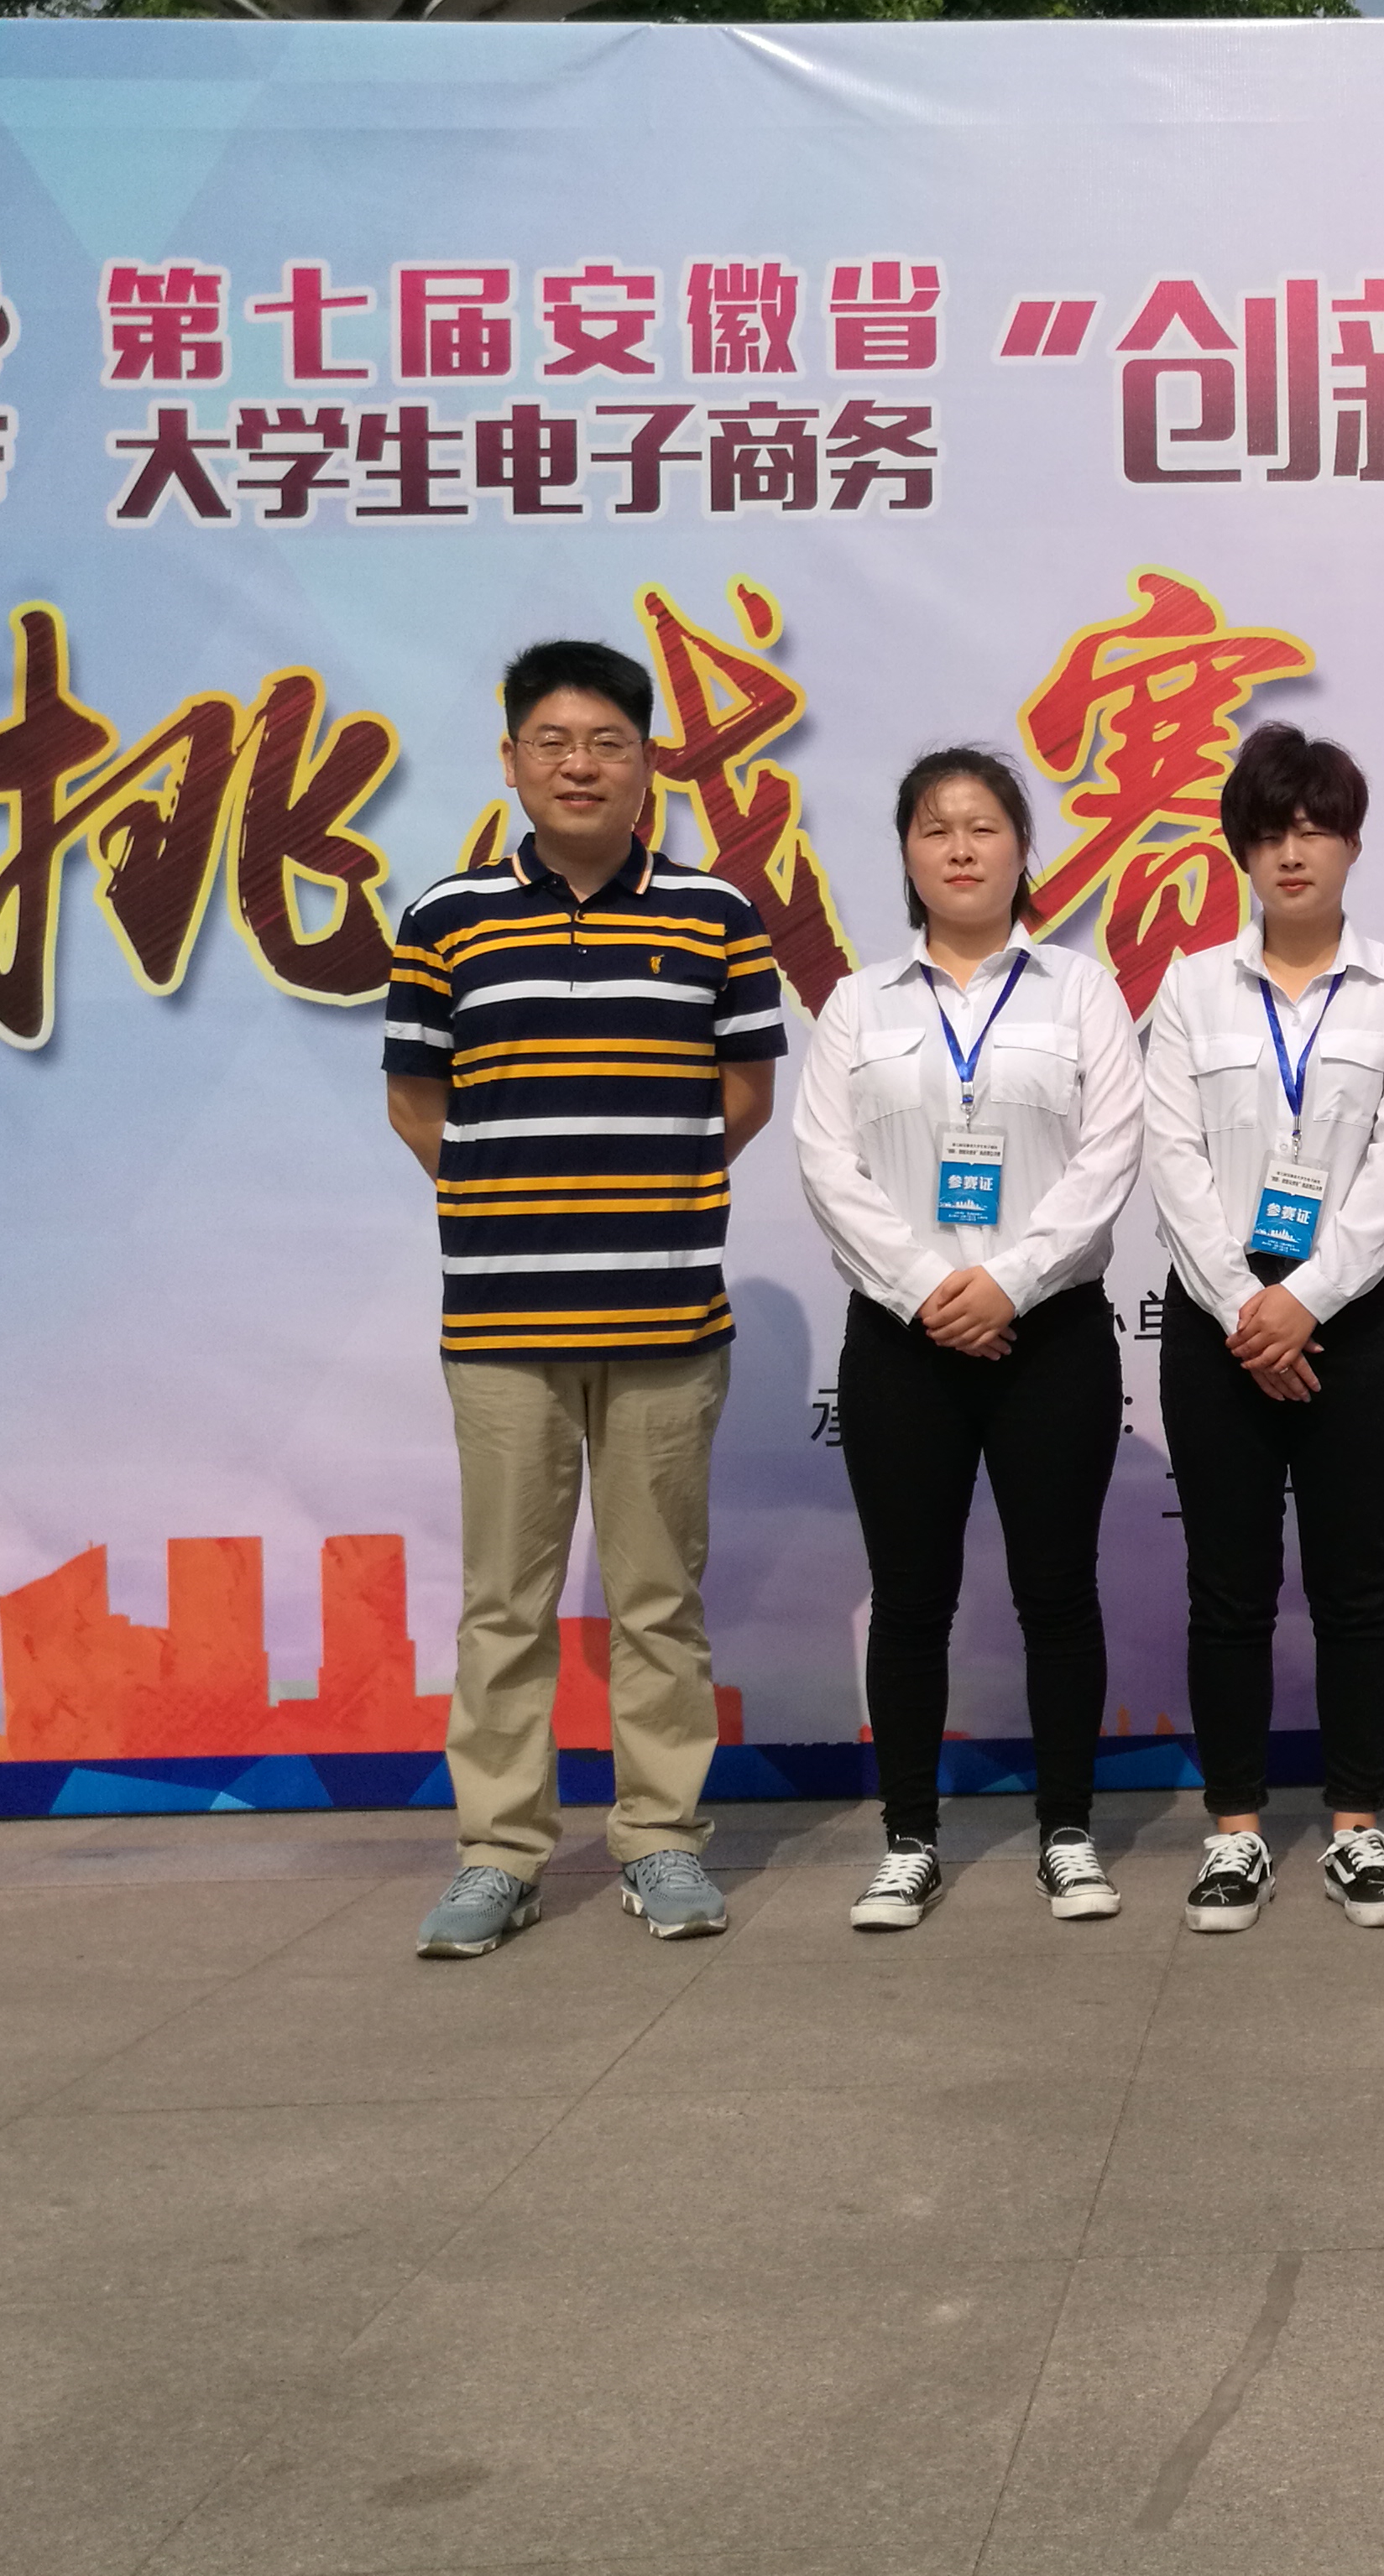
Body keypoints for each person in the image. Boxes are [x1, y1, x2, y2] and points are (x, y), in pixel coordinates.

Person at [388, 638, 784, 1960]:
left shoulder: (715, 915)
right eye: (552, 742)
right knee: (505, 1601)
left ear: (645, 761)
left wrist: (646, 1193)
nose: (579, 764)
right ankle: (498, 1855)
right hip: (504, 1324)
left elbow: (744, 1096)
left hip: (666, 1317)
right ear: (510, 760)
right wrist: (511, 1199)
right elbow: (417, 1101)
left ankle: (661, 1840)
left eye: (607, 742)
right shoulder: (445, 919)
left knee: (659, 1599)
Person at [794, 748, 1143, 1929]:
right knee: (910, 1598)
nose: (959, 847)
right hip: (904, 1343)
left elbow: (1109, 1154)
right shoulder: (859, 1003)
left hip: (1051, 1336)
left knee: (1058, 1593)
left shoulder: (1079, 991)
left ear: (1021, 849)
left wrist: (1009, 1283)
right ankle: (908, 1840)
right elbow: (827, 1165)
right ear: (906, 852)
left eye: (984, 826)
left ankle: (1068, 1833)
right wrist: (932, 1290)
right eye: (935, 828)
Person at [1144, 725, 1384, 1932]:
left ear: (1352, 845)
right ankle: (1234, 1833)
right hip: (1218, 1320)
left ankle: (1357, 1830)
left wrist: (1306, 1301)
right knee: (1227, 1588)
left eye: (1316, 829)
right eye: (1270, 831)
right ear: (1241, 849)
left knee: (1354, 1586)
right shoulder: (1189, 989)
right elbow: (1172, 1160)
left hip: (1352, 1320)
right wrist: (1246, 1306)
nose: (1293, 852)